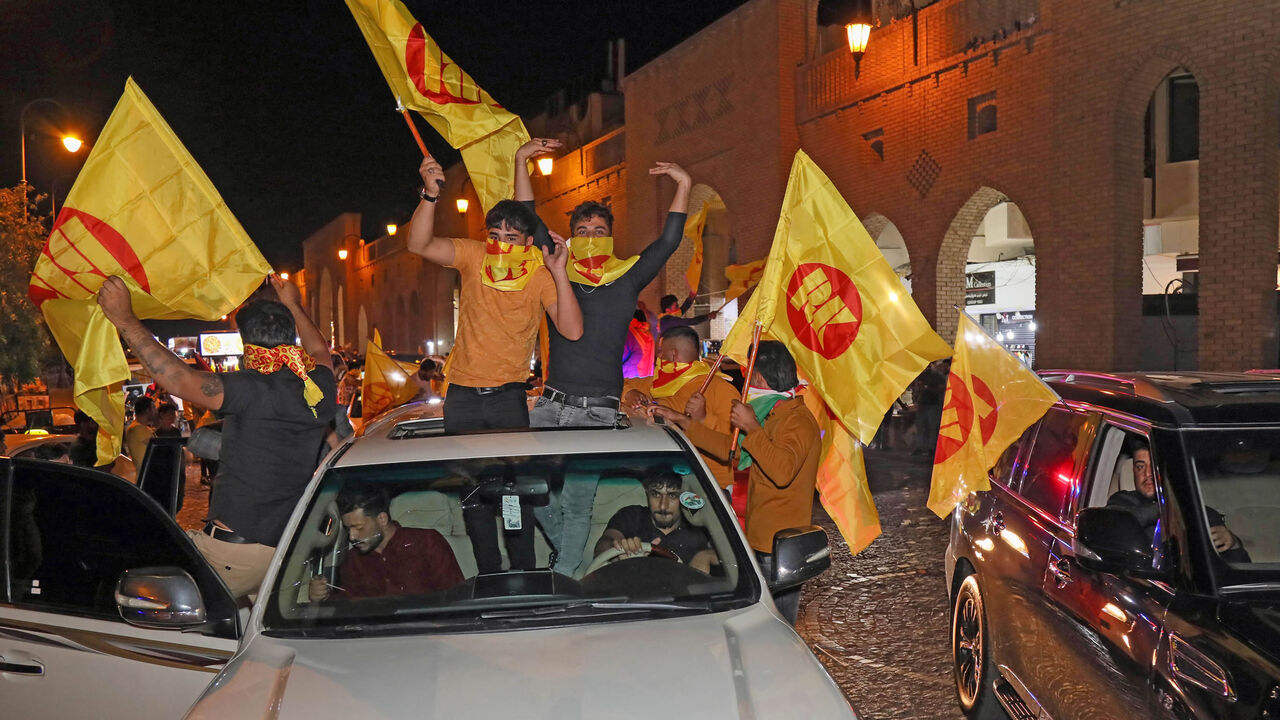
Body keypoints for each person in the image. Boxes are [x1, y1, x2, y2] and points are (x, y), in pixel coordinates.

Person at [514, 137, 693, 575]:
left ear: (609, 237)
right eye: (582, 231)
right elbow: (527, 219)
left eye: (599, 232)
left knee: (577, 504)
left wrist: (684, 184)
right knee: (522, 488)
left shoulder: (628, 276)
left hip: (596, 411)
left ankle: (565, 578)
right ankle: (569, 558)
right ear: (571, 238)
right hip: (551, 404)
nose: (590, 238)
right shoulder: (559, 268)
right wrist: (521, 161)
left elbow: (669, 241)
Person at [98, 274, 336, 601]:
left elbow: (179, 379)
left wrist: (124, 319)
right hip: (287, 551)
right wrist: (294, 304)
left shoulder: (249, 387)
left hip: (232, 557)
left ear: (244, 342)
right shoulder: (319, 387)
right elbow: (320, 349)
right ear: (290, 337)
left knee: (128, 594)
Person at [406, 153, 582, 434]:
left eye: (511, 239)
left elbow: (572, 331)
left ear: (528, 243)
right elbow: (419, 244)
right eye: (494, 237)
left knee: (510, 475)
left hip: (508, 398)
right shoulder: (474, 255)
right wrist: (430, 195)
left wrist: (559, 272)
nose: (501, 246)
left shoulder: (539, 276)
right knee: (463, 475)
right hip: (461, 395)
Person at [664, 341, 820, 624]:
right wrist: (685, 423)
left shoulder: (797, 420)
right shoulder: (771, 414)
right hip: (760, 540)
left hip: (780, 546)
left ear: (758, 377)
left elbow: (782, 471)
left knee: (776, 626)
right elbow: (732, 450)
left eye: (749, 373)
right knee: (759, 622)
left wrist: (752, 427)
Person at [309, 485, 463, 601]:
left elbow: (455, 598)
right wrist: (321, 595)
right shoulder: (353, 560)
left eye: (358, 527)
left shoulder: (426, 543)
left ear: (382, 519)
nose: (352, 536)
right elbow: (347, 608)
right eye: (348, 528)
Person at [1107, 439, 1250, 563]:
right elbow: (1115, 527)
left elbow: (1240, 573)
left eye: (1155, 466)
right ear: (1133, 471)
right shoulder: (1122, 502)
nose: (1148, 474)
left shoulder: (1202, 514)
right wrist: (1169, 507)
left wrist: (1233, 543)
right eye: (1140, 467)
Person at [636, 326, 738, 491]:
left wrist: (702, 419)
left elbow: (734, 449)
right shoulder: (654, 384)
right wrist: (630, 394)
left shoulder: (719, 388)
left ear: (673, 354)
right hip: (663, 481)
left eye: (660, 351)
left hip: (709, 484)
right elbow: (619, 387)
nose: (657, 357)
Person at [592, 470, 717, 574]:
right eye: (656, 494)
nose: (663, 506)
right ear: (647, 493)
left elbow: (730, 556)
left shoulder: (698, 525)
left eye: (673, 495)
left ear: (685, 498)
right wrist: (618, 551)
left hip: (686, 601)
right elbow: (606, 541)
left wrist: (705, 555)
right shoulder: (632, 516)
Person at [912, 360, 948, 457]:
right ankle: (920, 447)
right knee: (921, 426)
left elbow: (941, 390)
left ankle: (931, 448)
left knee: (932, 427)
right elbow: (917, 389)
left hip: (933, 404)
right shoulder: (921, 375)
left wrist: (927, 388)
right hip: (923, 404)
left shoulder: (937, 377)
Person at [621, 310, 655, 379]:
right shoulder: (649, 336)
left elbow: (637, 354)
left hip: (630, 374)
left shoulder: (630, 331)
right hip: (646, 375)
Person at [124, 395, 158, 465]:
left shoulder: (139, 427)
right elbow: (160, 448)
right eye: (154, 407)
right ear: (147, 410)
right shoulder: (138, 429)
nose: (156, 410)